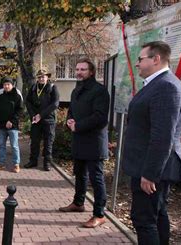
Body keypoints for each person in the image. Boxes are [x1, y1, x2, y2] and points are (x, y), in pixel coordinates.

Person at [122, 41, 181, 244]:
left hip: (153, 170)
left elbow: (163, 136)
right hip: (150, 166)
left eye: (141, 59)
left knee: (144, 220)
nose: (138, 64)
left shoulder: (166, 86)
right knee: (156, 216)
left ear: (156, 59)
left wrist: (150, 174)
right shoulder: (158, 84)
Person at [58, 57, 109, 228]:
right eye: (77, 69)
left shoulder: (99, 90)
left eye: (83, 70)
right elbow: (72, 110)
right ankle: (78, 203)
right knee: (79, 174)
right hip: (79, 139)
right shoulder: (76, 90)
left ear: (91, 72)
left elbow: (100, 117)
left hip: (94, 142)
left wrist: (78, 125)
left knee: (96, 179)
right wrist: (70, 121)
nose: (79, 72)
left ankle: (99, 214)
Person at [24, 69, 60, 171]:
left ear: (47, 77)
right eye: (39, 77)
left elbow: (55, 104)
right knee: (34, 141)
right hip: (36, 120)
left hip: (49, 120)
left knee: (48, 142)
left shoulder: (53, 88)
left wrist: (41, 115)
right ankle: (33, 161)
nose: (41, 78)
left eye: (43, 76)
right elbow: (28, 102)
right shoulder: (33, 88)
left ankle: (47, 163)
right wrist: (33, 115)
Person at [0, 78, 23, 173]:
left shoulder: (17, 96)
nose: (6, 86)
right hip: (1, 126)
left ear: (12, 85)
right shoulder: (1, 96)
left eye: (8, 84)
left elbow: (19, 111)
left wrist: (12, 121)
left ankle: (16, 164)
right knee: (2, 145)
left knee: (14, 145)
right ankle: (1, 163)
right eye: (5, 84)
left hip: (12, 126)